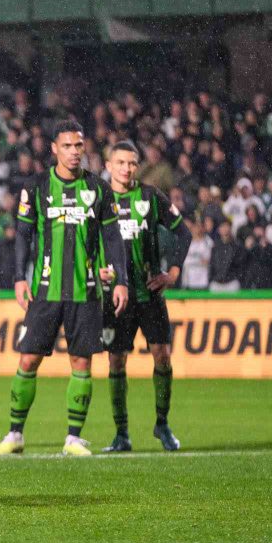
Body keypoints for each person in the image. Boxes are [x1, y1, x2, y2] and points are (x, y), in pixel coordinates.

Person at [0, 120, 128, 458]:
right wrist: (20, 278)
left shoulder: (99, 188)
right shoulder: (36, 187)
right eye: (67, 146)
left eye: (78, 146)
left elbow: (113, 237)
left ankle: (73, 438)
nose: (73, 152)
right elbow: (23, 235)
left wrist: (122, 279)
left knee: (81, 362)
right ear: (54, 148)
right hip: (45, 289)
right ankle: (15, 434)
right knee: (29, 359)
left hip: (87, 291)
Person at [96, 141, 191, 453]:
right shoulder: (97, 199)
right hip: (115, 297)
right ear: (109, 166)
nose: (127, 168)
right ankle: (121, 433)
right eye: (121, 162)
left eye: (132, 163)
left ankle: (162, 424)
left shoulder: (150, 197)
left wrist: (172, 273)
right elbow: (82, 242)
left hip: (149, 294)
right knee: (116, 360)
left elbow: (183, 232)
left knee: (162, 354)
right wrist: (95, 269)